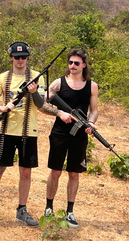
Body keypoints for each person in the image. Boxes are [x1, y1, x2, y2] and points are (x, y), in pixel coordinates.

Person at [0, 41, 59, 227]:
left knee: (26, 172)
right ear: (11, 58)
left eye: (23, 57)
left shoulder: (37, 77)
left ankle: (22, 210)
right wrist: (3, 108)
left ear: (28, 58)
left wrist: (34, 92)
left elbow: (41, 104)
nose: (20, 60)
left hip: (29, 132)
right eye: (16, 57)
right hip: (7, 130)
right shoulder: (3, 78)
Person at [43, 47, 99, 228]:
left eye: (76, 63)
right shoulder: (58, 84)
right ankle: (49, 208)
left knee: (74, 173)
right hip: (60, 132)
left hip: (79, 135)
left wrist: (90, 123)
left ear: (84, 65)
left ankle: (70, 211)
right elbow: (42, 103)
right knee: (56, 171)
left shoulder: (91, 86)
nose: (72, 66)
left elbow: (94, 110)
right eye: (70, 62)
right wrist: (60, 113)